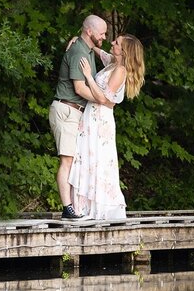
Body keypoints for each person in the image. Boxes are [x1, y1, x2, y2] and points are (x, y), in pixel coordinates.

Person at [68, 33, 146, 220]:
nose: (112, 43)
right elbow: (101, 52)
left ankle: (98, 208)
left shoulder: (120, 71)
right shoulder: (113, 62)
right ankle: (83, 206)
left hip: (100, 118)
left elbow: (103, 98)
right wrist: (82, 41)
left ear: (124, 51)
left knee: (97, 159)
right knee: (86, 156)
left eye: (117, 43)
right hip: (92, 115)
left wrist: (88, 76)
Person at [49, 15, 109, 220]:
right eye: (102, 33)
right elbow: (79, 87)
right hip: (66, 110)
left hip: (76, 113)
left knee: (74, 161)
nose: (105, 37)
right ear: (90, 32)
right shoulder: (78, 52)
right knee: (67, 161)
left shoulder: (88, 50)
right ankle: (67, 209)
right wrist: (101, 100)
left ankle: (74, 205)